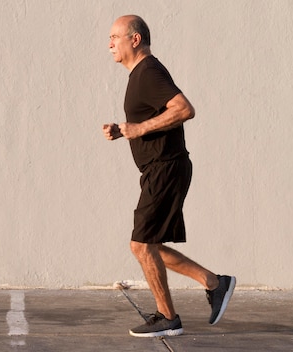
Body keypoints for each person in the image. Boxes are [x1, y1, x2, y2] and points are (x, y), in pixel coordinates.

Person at [102, 15, 236, 337]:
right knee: (150, 246)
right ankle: (215, 283)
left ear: (135, 40)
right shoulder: (140, 75)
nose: (109, 44)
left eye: (115, 37)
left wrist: (138, 128)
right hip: (159, 169)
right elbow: (155, 118)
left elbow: (184, 109)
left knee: (141, 245)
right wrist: (124, 131)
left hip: (166, 167)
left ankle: (168, 318)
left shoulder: (148, 72)